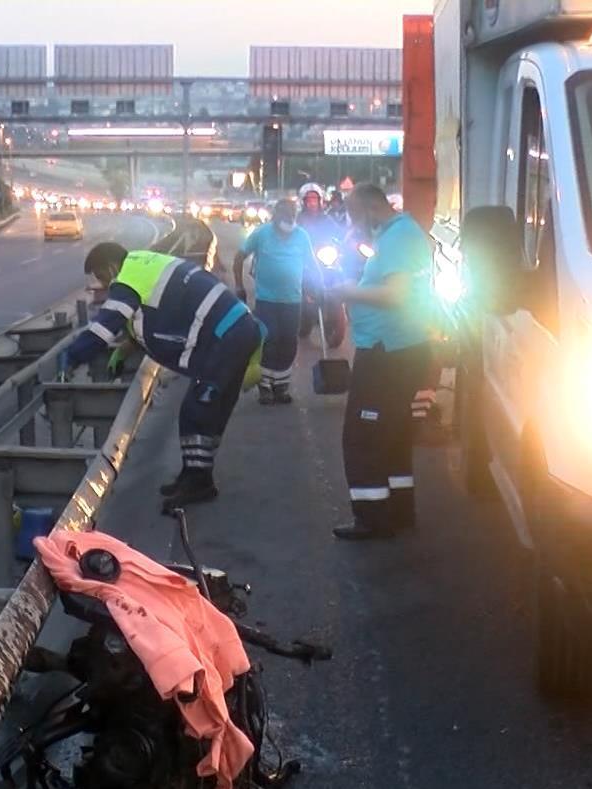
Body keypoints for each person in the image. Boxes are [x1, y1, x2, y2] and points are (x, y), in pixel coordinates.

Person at [65, 242, 265, 512]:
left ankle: (199, 481)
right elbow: (155, 311)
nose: (101, 286)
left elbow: (103, 329)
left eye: (100, 277)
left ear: (111, 267)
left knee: (197, 409)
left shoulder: (126, 280)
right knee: (211, 410)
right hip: (234, 329)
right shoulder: (142, 263)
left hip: (226, 336)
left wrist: (71, 357)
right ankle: (193, 473)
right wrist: (125, 349)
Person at [326, 184, 436, 541]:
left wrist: (348, 291)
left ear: (370, 209)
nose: (352, 223)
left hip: (386, 351)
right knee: (393, 433)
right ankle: (399, 511)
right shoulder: (399, 232)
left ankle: (372, 517)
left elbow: (395, 295)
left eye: (354, 215)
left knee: (363, 435)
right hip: (400, 347)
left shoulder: (397, 237)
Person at [233, 197, 318, 405]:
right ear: (275, 216)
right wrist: (239, 286)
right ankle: (265, 387)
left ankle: (281, 386)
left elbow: (312, 264)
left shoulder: (302, 236)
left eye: (292, 215)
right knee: (270, 340)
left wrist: (319, 286)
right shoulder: (261, 234)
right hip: (266, 299)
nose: (289, 218)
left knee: (288, 341)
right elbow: (239, 257)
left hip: (293, 300)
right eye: (285, 214)